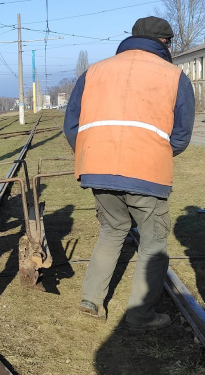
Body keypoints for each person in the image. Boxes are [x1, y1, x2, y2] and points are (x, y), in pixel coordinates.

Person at [63, 16, 194, 333]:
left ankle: (91, 300)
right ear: (165, 43)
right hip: (147, 173)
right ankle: (140, 315)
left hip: (97, 169)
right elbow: (181, 134)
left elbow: (72, 127)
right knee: (154, 243)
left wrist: (93, 155)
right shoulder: (175, 76)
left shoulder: (93, 72)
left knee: (111, 232)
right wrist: (156, 153)